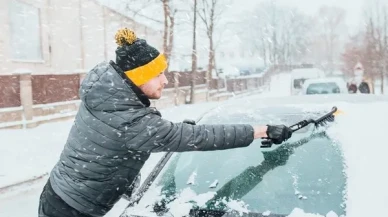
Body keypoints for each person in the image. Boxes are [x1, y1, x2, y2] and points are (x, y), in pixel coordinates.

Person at [38, 28, 293, 217]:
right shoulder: (131, 121)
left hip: (57, 195)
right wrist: (262, 130)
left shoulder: (107, 95)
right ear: (139, 77)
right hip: (72, 210)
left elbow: (117, 146)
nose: (165, 81)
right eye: (158, 74)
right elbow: (197, 139)